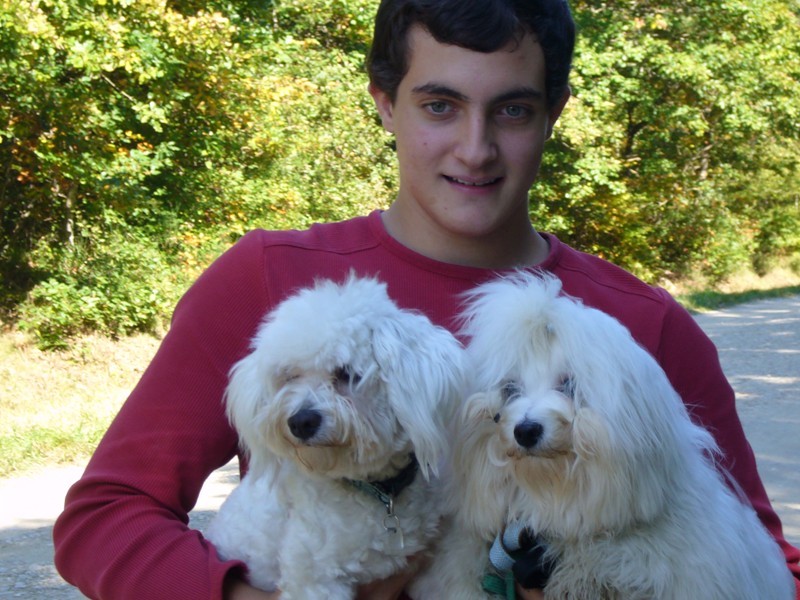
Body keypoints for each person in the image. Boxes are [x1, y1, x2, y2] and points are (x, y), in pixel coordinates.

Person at [53, 0, 800, 599]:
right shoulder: (268, 281)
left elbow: (759, 559)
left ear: (554, 112)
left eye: (512, 110)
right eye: (440, 105)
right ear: (384, 103)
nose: (475, 148)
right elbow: (103, 519)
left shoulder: (643, 327)